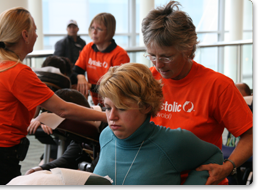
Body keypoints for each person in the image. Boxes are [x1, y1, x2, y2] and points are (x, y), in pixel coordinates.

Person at [0, 7, 106, 185]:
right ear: (25, 35)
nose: (37, 35)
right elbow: (63, 109)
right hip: (0, 153)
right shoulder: (17, 71)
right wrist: (106, 116)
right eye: (35, 30)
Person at [141, 1, 252, 185]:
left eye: (166, 57)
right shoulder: (146, 79)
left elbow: (250, 135)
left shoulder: (218, 86)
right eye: (152, 56)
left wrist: (227, 167)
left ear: (188, 49)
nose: (158, 64)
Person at [93, 63, 223, 185]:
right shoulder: (106, 136)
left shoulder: (173, 142)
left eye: (122, 108)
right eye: (108, 108)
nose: (111, 117)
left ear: (146, 106)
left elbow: (214, 155)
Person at [73, 13, 130, 105]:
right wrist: (80, 76)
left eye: (99, 29)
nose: (94, 32)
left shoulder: (120, 55)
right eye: (92, 28)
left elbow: (116, 88)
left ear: (109, 32)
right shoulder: (89, 48)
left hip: (114, 104)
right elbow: (75, 71)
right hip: (96, 103)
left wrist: (90, 86)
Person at [54, 20, 86, 87]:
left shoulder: (82, 43)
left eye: (74, 27)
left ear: (78, 29)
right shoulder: (61, 43)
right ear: (67, 29)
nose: (72, 29)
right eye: (70, 27)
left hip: (80, 75)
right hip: (67, 76)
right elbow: (57, 61)